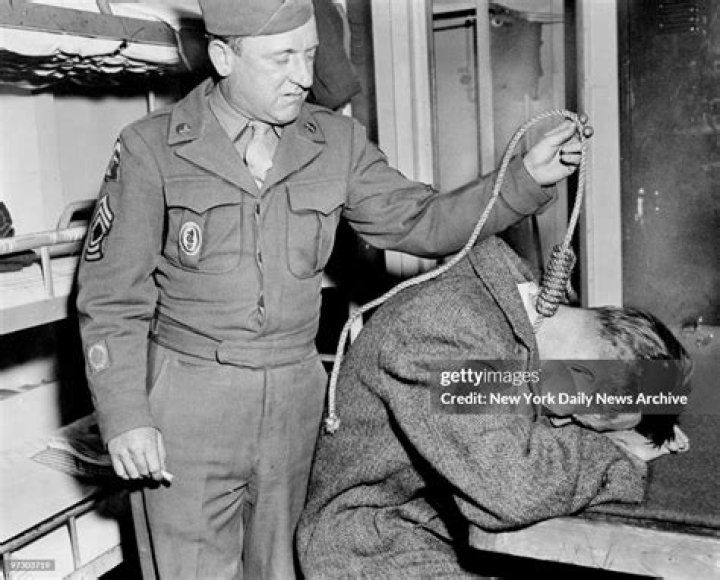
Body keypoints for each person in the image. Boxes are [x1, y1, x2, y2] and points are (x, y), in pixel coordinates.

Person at [76, 1, 587, 578]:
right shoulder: (151, 148)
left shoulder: (335, 142)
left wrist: (524, 178)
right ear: (223, 56)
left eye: (310, 54)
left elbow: (423, 220)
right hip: (189, 406)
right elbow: (110, 298)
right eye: (282, 59)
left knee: (288, 568)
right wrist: (126, 417)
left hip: (297, 403)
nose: (303, 76)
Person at [296, 236, 691, 579]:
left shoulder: (515, 311)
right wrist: (619, 454)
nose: (564, 424)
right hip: (376, 542)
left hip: (436, 524)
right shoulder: (450, 331)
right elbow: (512, 491)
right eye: (579, 417)